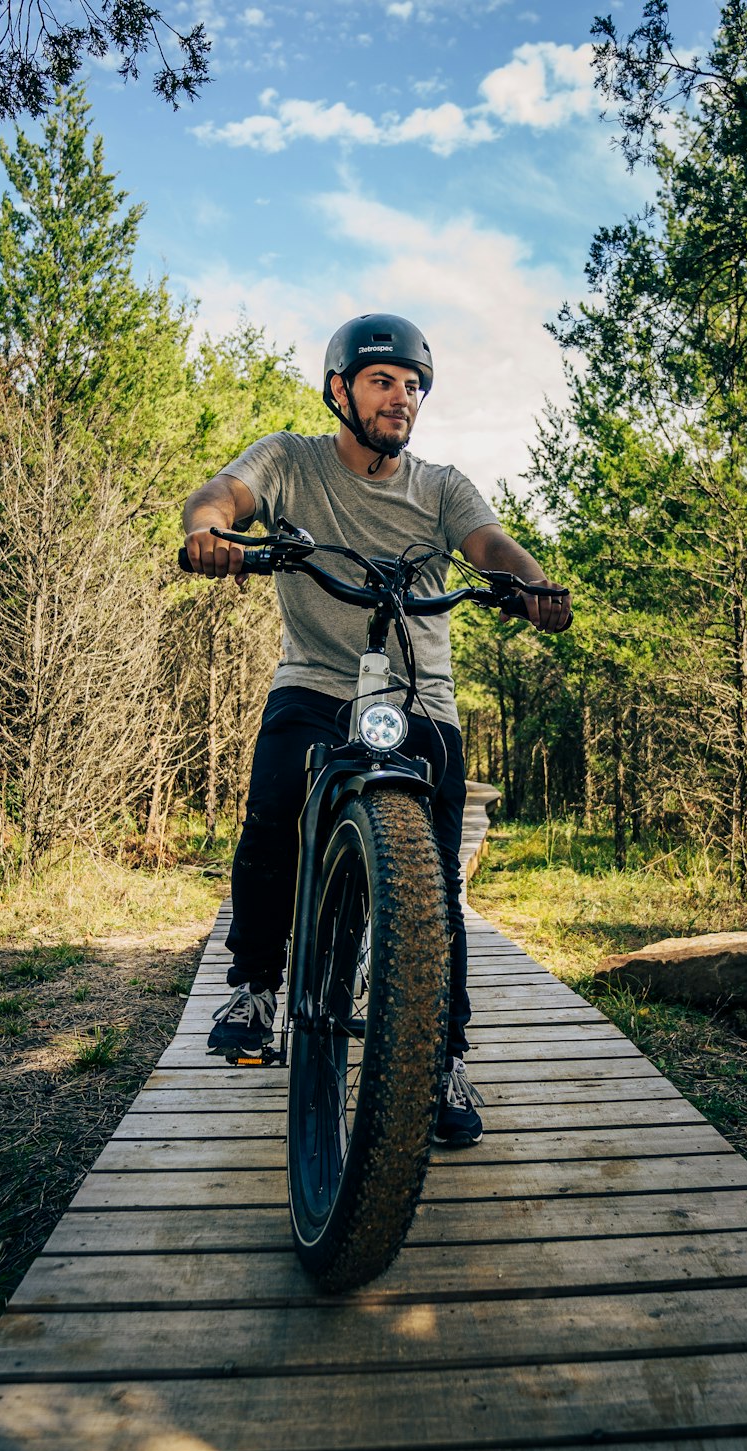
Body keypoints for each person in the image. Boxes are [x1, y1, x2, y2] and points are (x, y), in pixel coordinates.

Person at [183, 312, 571, 1146]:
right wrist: (210, 532)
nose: (403, 399)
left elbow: (490, 543)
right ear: (340, 390)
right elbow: (224, 493)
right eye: (384, 381)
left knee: (437, 888)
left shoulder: (440, 486)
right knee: (275, 806)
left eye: (414, 386)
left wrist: (534, 585)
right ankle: (255, 988)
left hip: (420, 695)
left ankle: (440, 1057)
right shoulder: (291, 459)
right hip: (317, 683)